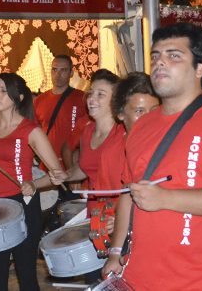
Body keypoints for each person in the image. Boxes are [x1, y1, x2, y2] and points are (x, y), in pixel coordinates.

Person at [102, 23, 202, 290]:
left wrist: (165, 198)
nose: (159, 62)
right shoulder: (140, 127)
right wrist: (116, 252)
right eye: (155, 56)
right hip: (139, 276)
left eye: (174, 55)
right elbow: (129, 195)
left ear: (200, 68)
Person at [0, 73, 61, 291]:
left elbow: (57, 173)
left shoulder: (31, 130)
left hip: (24, 203)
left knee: (26, 271)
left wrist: (35, 184)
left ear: (18, 97)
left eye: (3, 91)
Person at [46, 69, 128, 284]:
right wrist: (65, 174)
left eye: (101, 94)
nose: (92, 99)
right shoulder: (87, 131)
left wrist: (121, 220)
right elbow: (85, 168)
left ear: (115, 101)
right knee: (94, 279)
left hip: (118, 219)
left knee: (117, 280)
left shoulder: (125, 134)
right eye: (92, 93)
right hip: (95, 217)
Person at [34, 54, 89, 171]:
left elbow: (91, 131)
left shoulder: (83, 98)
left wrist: (80, 154)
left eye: (63, 70)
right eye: (55, 70)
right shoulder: (39, 101)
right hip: (46, 167)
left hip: (74, 166)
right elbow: (32, 133)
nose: (58, 74)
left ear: (71, 74)